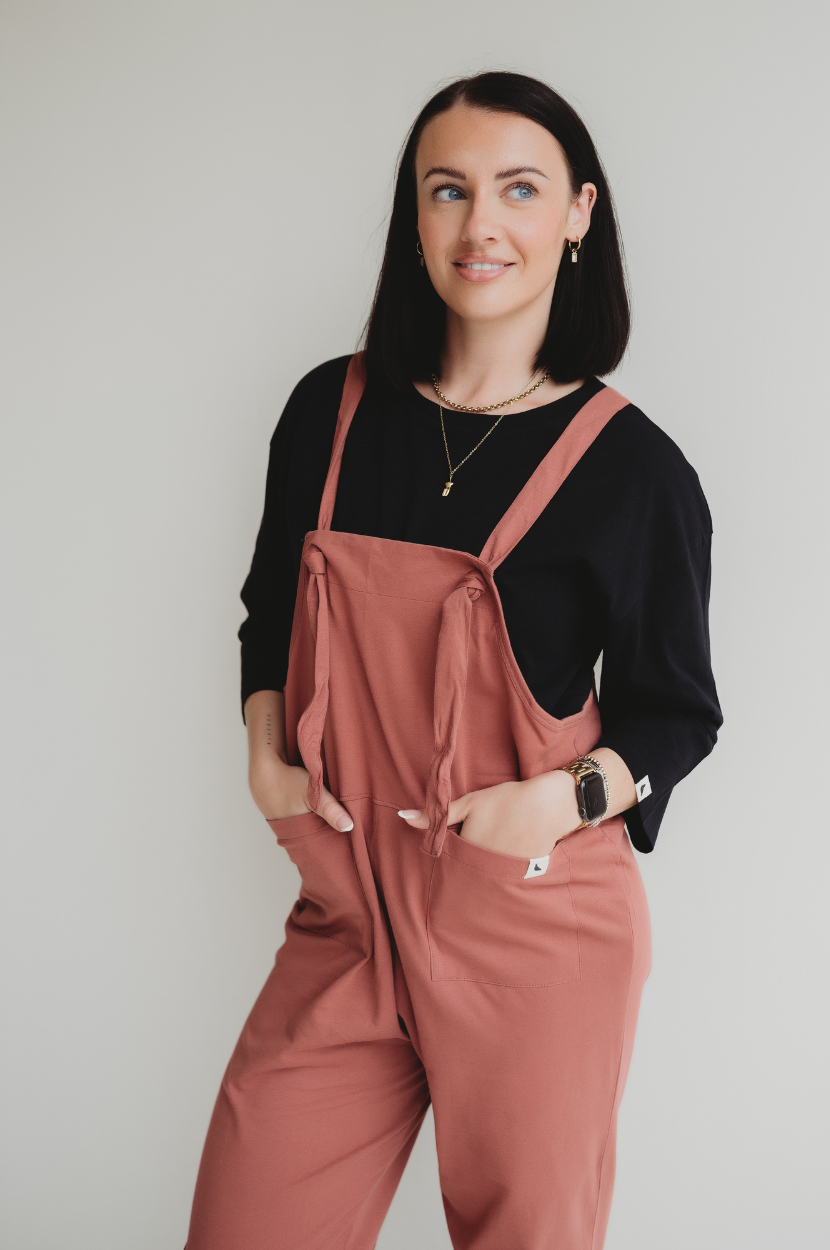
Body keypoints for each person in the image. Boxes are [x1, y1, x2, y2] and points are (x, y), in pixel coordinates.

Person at [185, 71, 722, 1250]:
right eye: (449, 190)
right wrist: (264, 752)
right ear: (414, 215)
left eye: (517, 189)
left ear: (577, 213)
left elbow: (676, 714)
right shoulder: (329, 408)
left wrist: (558, 800)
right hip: (345, 913)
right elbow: (270, 601)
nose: (480, 225)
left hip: (531, 929)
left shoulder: (634, 471)